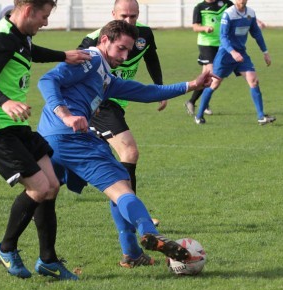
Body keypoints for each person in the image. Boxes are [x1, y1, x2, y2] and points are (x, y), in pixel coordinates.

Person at [37, 20, 216, 270]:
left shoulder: (106, 77)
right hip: (72, 137)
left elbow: (146, 92)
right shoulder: (92, 59)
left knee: (39, 195)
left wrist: (192, 85)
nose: (124, 56)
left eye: (128, 51)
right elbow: (47, 80)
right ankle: (149, 232)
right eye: (120, 48)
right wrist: (65, 114)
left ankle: (12, 249)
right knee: (122, 187)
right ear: (104, 40)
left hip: (47, 139)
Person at [0, 0, 90, 280]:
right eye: (44, 16)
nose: (45, 23)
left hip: (16, 127)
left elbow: (30, 52)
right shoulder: (2, 38)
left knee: (51, 186)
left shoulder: (20, 35)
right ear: (26, 10)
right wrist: (5, 102)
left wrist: (63, 55)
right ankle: (5, 248)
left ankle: (48, 260)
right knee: (38, 188)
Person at [77, 0, 163, 268]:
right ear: (112, 15)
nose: (129, 20)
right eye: (124, 15)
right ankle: (134, 215)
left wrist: (159, 88)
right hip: (99, 104)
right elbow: (75, 69)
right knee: (129, 151)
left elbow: (151, 56)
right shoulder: (93, 40)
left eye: (134, 15)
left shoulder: (144, 34)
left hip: (117, 103)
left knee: (56, 178)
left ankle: (130, 224)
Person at [194, 0, 275, 125]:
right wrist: (232, 52)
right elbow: (223, 37)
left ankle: (261, 117)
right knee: (214, 84)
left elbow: (256, 33)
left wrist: (265, 52)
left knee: (253, 81)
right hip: (226, 55)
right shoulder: (229, 14)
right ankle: (199, 116)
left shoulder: (251, 13)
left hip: (241, 54)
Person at [184, 0, 234, 116]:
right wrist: (204, 28)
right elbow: (195, 27)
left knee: (209, 76)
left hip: (222, 44)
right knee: (212, 74)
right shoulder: (200, 7)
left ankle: (201, 103)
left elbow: (239, 11)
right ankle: (192, 102)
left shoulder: (226, 3)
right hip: (206, 44)